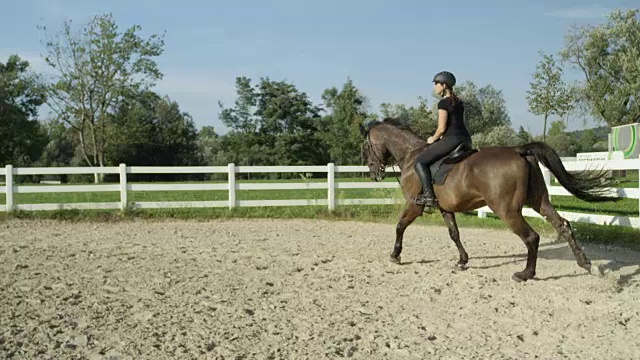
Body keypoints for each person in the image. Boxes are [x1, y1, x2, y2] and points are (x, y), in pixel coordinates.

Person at [414, 71, 472, 207]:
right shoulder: (459, 102)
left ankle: (428, 196)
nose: (435, 87)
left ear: (444, 85)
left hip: (452, 140)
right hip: (466, 139)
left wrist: (432, 139)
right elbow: (456, 123)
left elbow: (441, 128)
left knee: (420, 161)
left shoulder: (443, 103)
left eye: (436, 84)